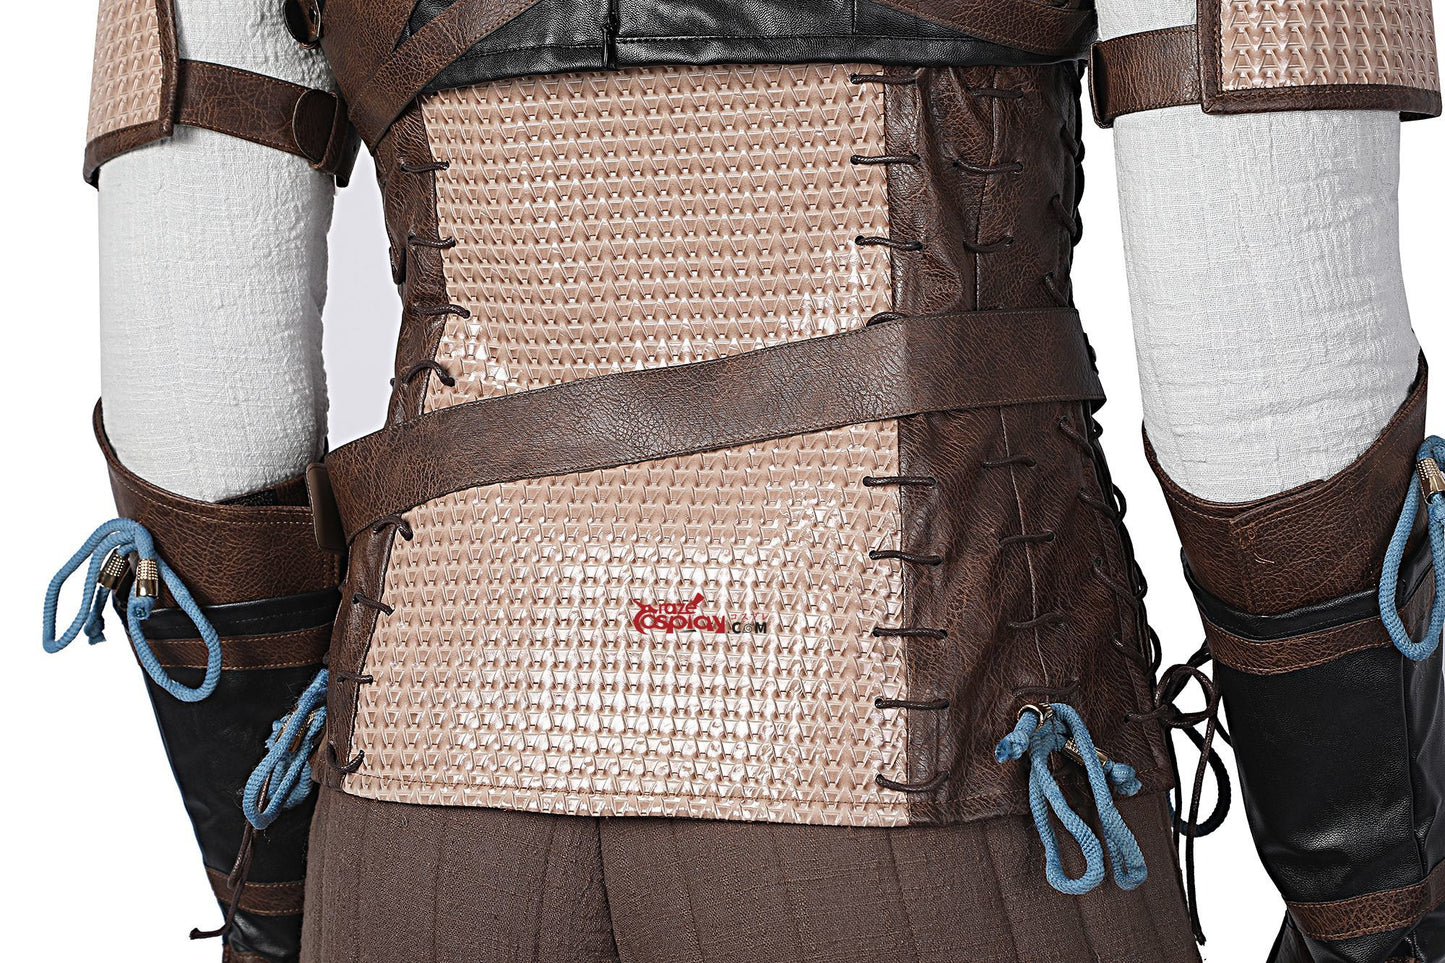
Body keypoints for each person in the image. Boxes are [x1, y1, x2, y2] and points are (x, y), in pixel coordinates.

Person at [45, 0, 1442, 960]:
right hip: (946, 813)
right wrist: (1373, 901)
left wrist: (278, 898)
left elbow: (195, 413)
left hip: (423, 824)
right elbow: (1273, 388)